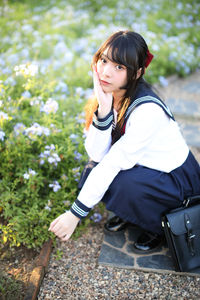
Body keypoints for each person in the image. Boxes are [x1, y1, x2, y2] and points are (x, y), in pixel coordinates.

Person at [49, 30, 200, 253]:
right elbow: (97, 154)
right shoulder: (111, 95)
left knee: (121, 182)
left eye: (119, 67)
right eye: (104, 61)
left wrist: (75, 214)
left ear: (136, 73)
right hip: (146, 169)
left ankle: (159, 226)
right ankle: (136, 213)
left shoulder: (147, 110)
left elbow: (112, 162)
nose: (106, 72)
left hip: (176, 182)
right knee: (94, 169)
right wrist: (104, 108)